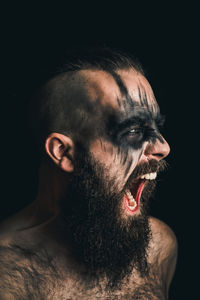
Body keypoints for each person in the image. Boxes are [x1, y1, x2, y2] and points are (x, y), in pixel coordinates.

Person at [0, 47, 177, 299]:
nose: (163, 147)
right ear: (64, 153)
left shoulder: (160, 246)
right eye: (134, 131)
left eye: (156, 127)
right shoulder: (6, 275)